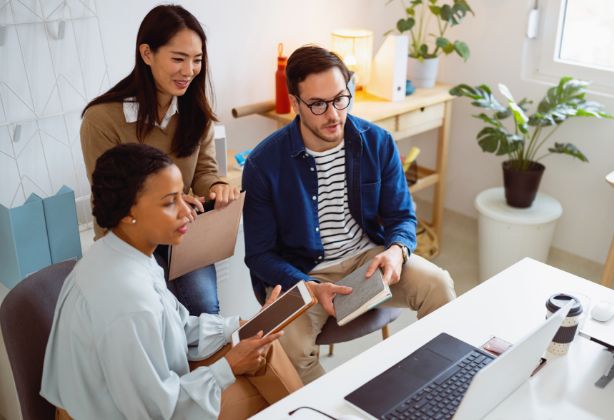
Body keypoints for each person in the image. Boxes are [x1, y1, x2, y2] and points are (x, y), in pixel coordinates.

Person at [242, 45, 457, 383]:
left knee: (438, 284)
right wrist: (310, 286)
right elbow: (259, 255)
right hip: (305, 275)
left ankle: (436, 384)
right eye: (317, 104)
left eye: (341, 99)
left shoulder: (377, 142)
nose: (333, 115)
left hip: (368, 262)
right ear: (295, 104)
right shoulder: (263, 164)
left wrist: (397, 251)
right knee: (290, 351)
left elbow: (402, 216)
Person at [41, 144, 303, 419]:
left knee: (261, 343)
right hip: (128, 412)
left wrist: (238, 327)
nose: (187, 211)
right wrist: (228, 366)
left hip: (138, 396)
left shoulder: (124, 253)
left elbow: (176, 325)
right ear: (128, 212)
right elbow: (155, 411)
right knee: (264, 396)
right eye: (169, 202)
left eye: (183, 197)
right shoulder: (128, 300)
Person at [79, 5, 240, 316]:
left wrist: (218, 185)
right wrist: (178, 201)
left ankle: (209, 366)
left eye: (197, 60)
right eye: (178, 59)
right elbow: (111, 200)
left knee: (205, 309)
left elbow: (205, 171)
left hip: (183, 233)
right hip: (129, 241)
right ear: (147, 54)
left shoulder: (195, 111)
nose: (189, 70)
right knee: (158, 318)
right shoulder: (101, 119)